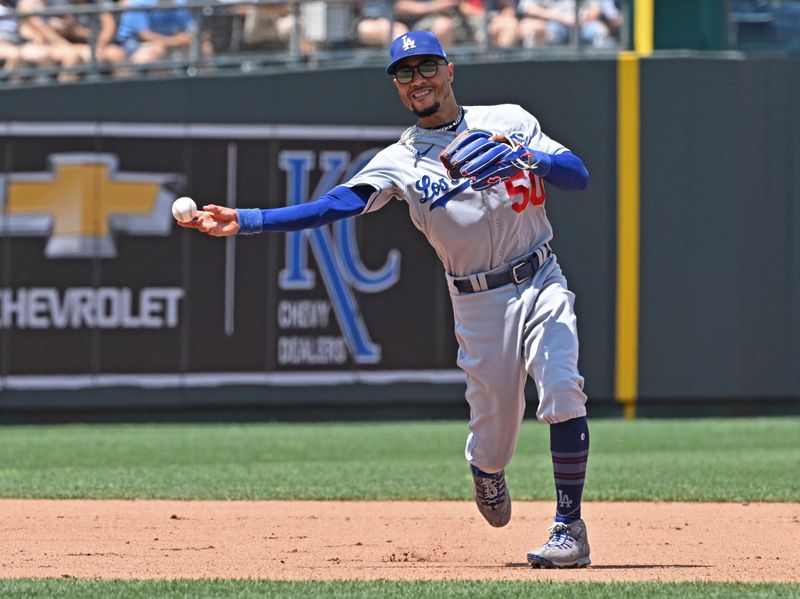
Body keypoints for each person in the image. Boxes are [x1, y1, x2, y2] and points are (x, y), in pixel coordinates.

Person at [181, 30, 592, 568]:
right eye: (404, 73)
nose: (417, 80)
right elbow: (334, 206)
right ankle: (486, 471)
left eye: (425, 68)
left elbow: (578, 176)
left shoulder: (509, 120)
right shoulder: (400, 161)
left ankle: (569, 527)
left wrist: (524, 154)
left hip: (541, 275)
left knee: (562, 387)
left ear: (450, 70)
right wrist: (249, 221)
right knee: (494, 438)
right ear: (397, 87)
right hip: (479, 301)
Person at [517, 0, 615, 48]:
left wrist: (583, 19)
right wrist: (562, 18)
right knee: (535, 32)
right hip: (551, 23)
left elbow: (596, 8)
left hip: (583, 25)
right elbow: (528, 8)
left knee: (601, 32)